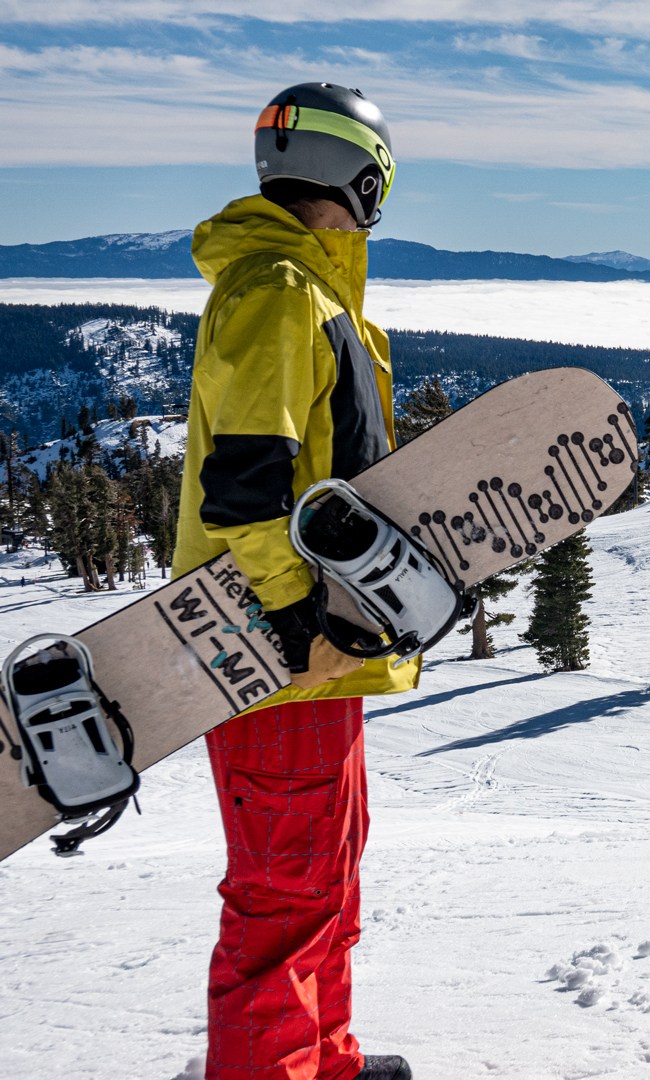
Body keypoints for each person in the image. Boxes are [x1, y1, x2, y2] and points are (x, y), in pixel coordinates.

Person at [173, 82, 416, 1080]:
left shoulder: (309, 293)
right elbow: (244, 491)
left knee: (324, 881)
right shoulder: (278, 290)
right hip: (278, 651)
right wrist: (303, 615)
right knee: (283, 895)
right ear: (365, 175)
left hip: (317, 651)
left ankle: (322, 1060)